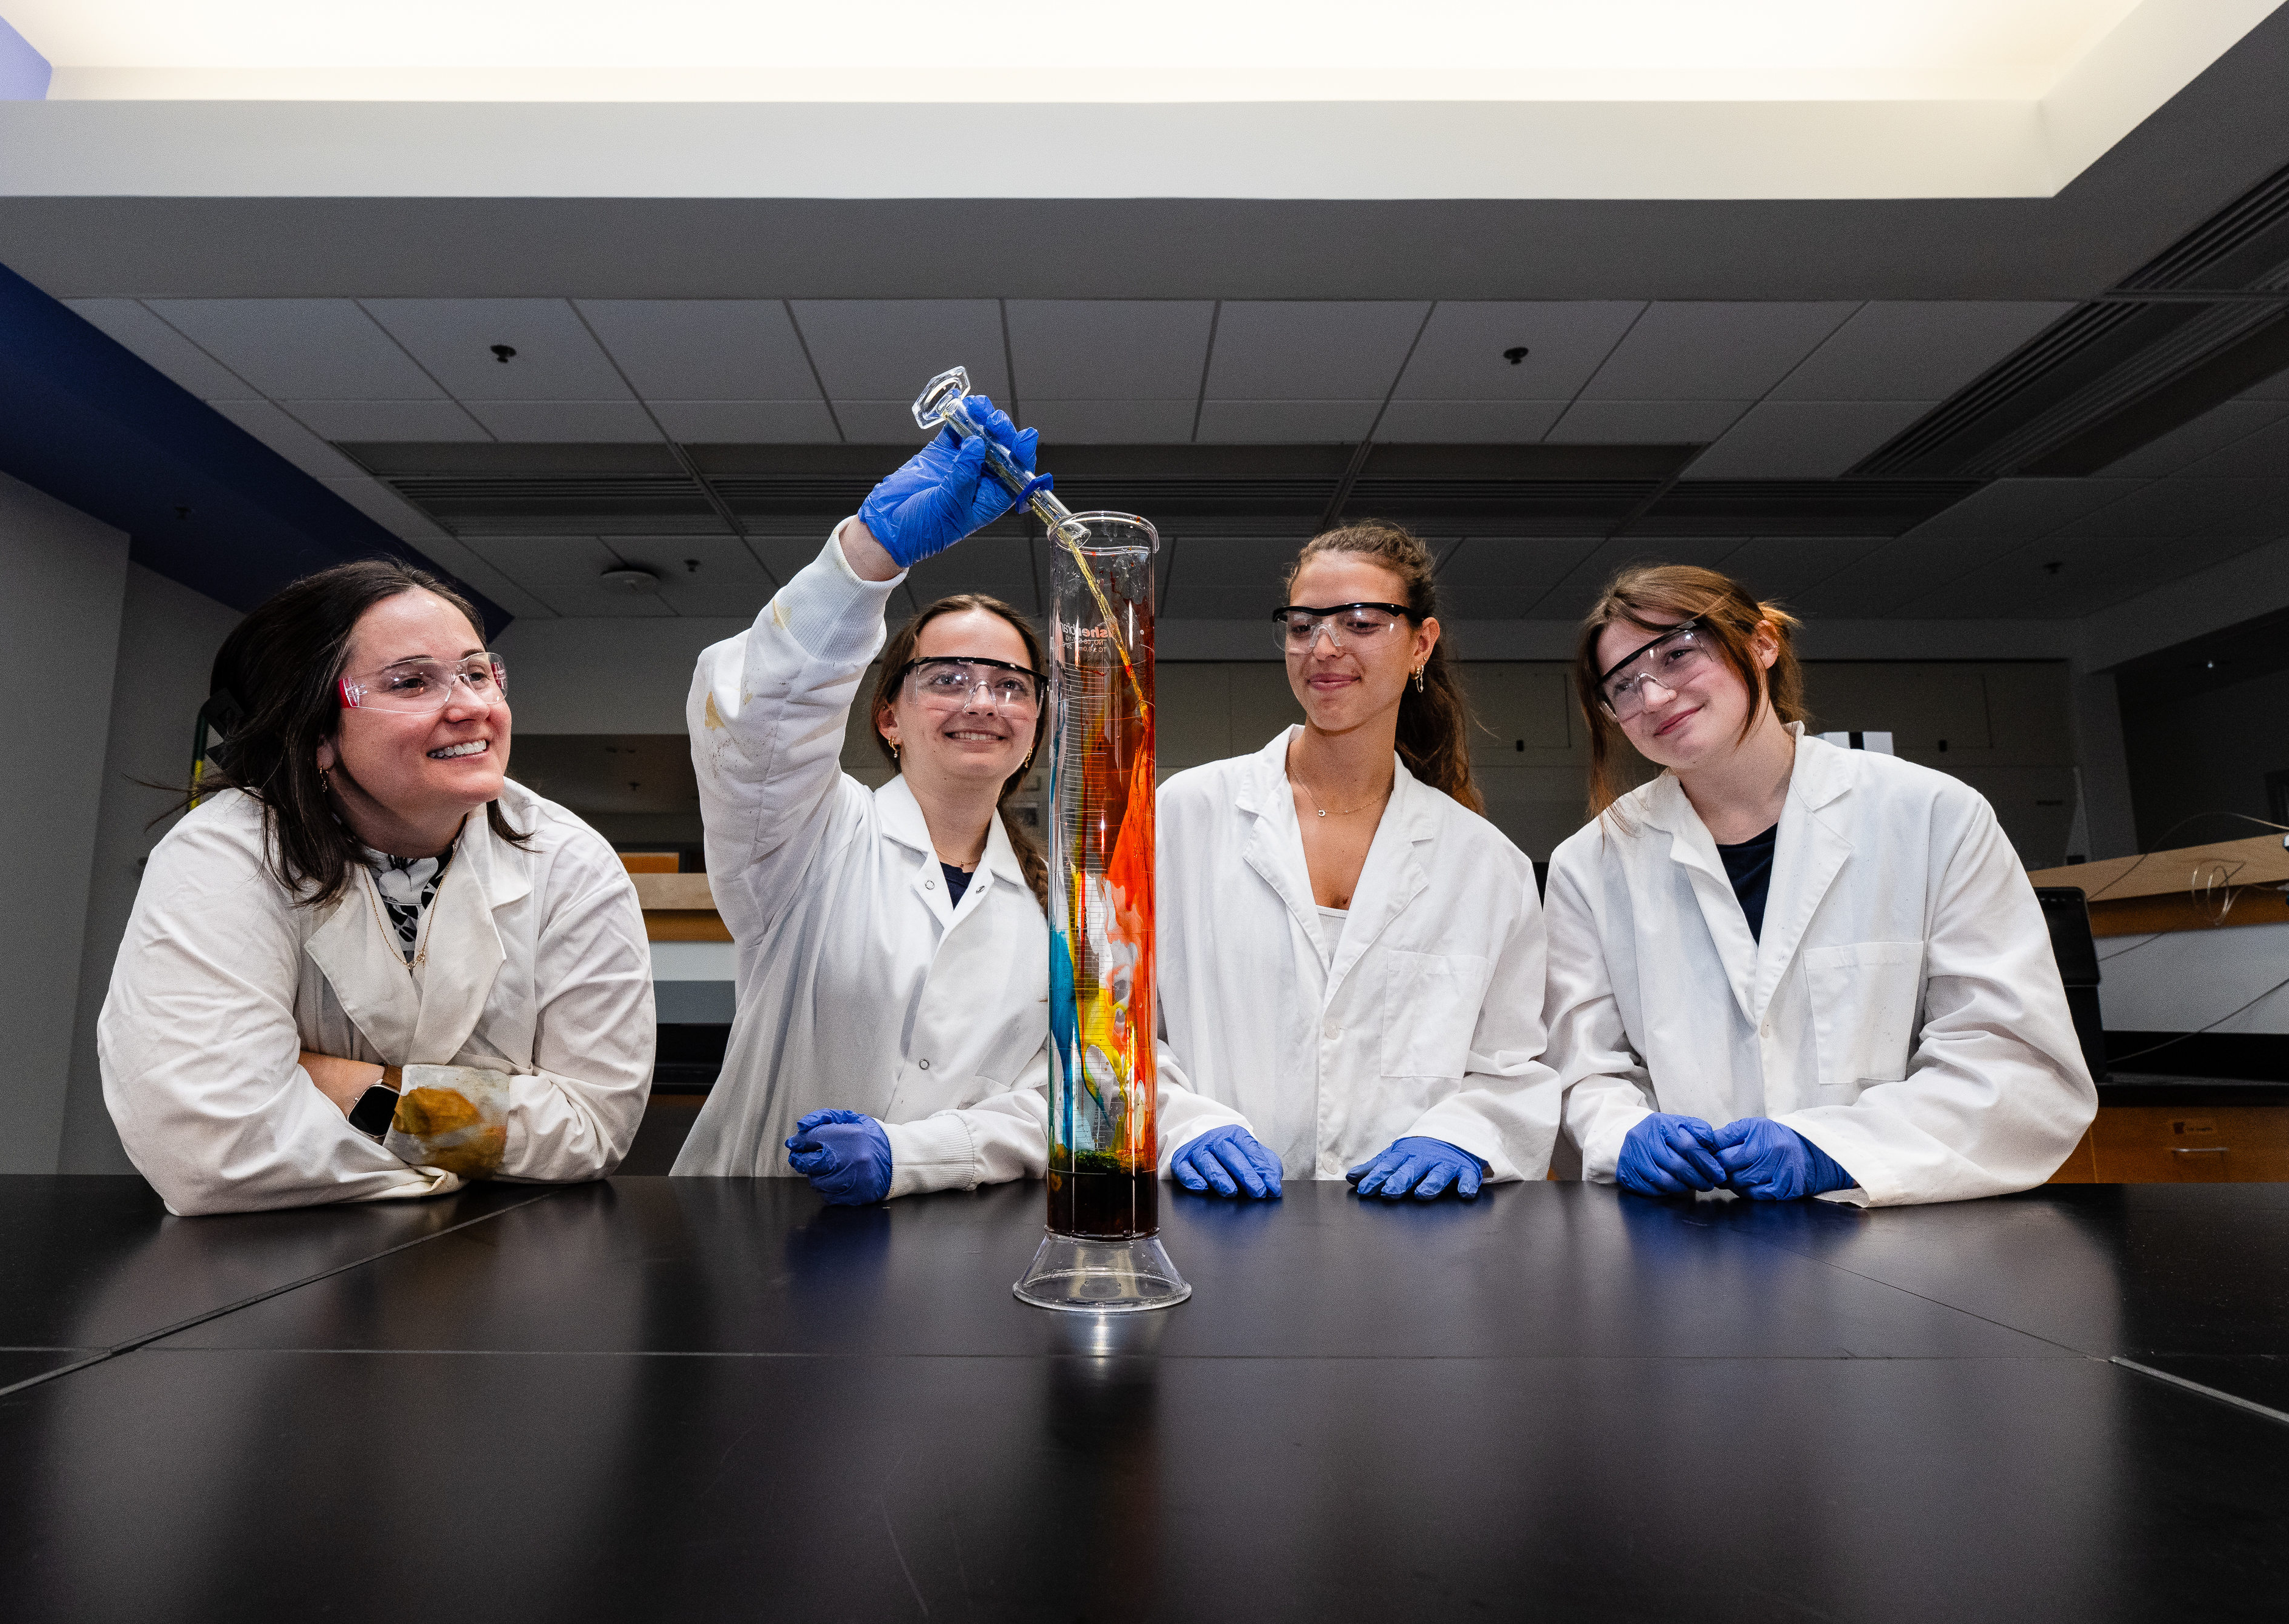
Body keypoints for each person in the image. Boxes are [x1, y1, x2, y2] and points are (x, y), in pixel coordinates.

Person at [100, 561, 655, 1216]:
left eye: (477, 673)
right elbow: (213, 1150)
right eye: (412, 681)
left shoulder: (566, 861)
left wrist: (337, 1085)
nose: (472, 706)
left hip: (507, 1269)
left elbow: (590, 1130)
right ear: (313, 735)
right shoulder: (226, 853)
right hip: (274, 1276)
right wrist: (467, 1148)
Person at [1544, 565, 2095, 1205]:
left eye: (1677, 654)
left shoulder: (1930, 815)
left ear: (1761, 643)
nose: (1656, 697)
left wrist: (1834, 1151)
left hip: (1890, 1226)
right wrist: (1625, 1132)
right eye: (1625, 686)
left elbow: (2009, 1061)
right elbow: (1580, 1069)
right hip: (1687, 1242)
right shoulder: (1592, 863)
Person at [670, 397, 1071, 1200]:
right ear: (889, 715)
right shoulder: (807, 837)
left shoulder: (1058, 903)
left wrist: (917, 1153)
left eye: (1010, 684)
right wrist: (869, 554)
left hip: (959, 1251)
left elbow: (1058, 1098)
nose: (983, 700)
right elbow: (758, 717)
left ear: (1036, 720)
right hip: (760, 1231)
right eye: (948, 677)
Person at [1149, 521, 1561, 1202]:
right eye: (1302, 624)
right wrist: (1186, 1124)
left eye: (1362, 623)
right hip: (1214, 1214)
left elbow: (1510, 1066)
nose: (1324, 647)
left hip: (1408, 1231)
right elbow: (1116, 1025)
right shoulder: (1184, 814)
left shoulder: (1487, 865)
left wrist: (1462, 1135)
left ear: (1421, 643)